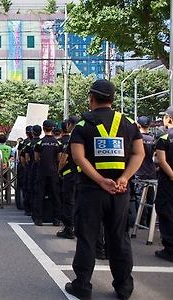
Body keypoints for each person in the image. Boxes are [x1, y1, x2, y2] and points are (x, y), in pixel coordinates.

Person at [65, 79, 144, 300]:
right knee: (119, 237)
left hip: (91, 191)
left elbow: (78, 157)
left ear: (91, 97)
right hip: (120, 191)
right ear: (112, 99)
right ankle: (124, 287)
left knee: (88, 237)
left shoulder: (82, 126)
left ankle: (82, 286)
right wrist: (124, 178)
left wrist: (100, 180)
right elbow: (139, 153)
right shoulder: (129, 124)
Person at [33, 120, 63, 226]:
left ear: (43, 128)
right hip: (54, 171)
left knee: (39, 194)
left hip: (41, 171)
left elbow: (36, 158)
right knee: (55, 195)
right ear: (53, 129)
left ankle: (39, 219)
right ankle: (56, 219)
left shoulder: (39, 143)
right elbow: (59, 158)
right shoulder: (57, 143)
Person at [153, 106, 173, 262]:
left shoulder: (165, 139)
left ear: (169, 118)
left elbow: (161, 160)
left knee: (165, 211)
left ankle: (170, 248)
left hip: (168, 183)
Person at [57, 116, 80, 239]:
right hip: (84, 176)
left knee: (69, 202)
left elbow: (63, 159)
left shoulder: (73, 139)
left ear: (69, 125)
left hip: (71, 175)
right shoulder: (86, 136)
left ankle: (69, 228)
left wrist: (59, 170)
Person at [24, 125, 42, 214]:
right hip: (41, 169)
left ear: (32, 132)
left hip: (31, 169)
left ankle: (28, 209)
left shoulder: (28, 144)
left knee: (29, 188)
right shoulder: (41, 143)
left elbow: (25, 159)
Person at [0, 135, 12, 204]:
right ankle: (7, 196)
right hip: (7, 167)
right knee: (7, 182)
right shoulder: (9, 148)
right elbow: (12, 157)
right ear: (5, 140)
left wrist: (0, 163)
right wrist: (6, 163)